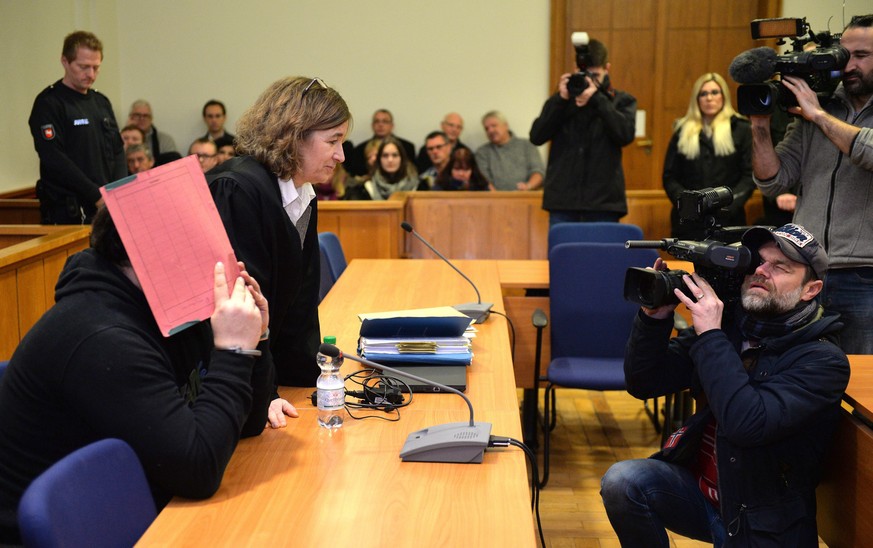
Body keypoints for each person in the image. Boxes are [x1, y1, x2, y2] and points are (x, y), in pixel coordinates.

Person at [0, 207, 273, 544]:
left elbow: (248, 425)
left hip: (144, 500)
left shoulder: (174, 311)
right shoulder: (101, 339)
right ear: (151, 259)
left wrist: (255, 337)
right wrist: (234, 351)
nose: (216, 264)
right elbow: (199, 470)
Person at [600, 223, 850, 546]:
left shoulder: (822, 361)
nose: (761, 271)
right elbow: (644, 381)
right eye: (758, 262)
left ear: (810, 290)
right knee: (622, 483)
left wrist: (712, 334)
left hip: (761, 527)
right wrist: (654, 318)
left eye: (779, 267)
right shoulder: (733, 327)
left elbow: (746, 423)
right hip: (706, 496)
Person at [208, 76, 349, 401]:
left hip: (272, 372)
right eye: (332, 142)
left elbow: (298, 301)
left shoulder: (301, 193)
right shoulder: (239, 191)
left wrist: (315, 377)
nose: (341, 155)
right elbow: (243, 306)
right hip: (233, 381)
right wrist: (264, 396)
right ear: (294, 135)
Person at [750, 14, 873, 354]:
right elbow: (773, 180)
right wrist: (759, 124)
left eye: (861, 56)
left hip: (865, 275)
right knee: (802, 374)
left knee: (863, 383)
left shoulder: (818, 111)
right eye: (845, 54)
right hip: (806, 270)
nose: (849, 65)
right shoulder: (821, 102)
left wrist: (819, 115)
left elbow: (868, 150)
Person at [530, 38, 636, 226]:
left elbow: (625, 135)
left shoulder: (621, 101)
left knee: (603, 255)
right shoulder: (561, 101)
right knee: (563, 254)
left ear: (607, 69)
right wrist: (561, 100)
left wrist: (598, 100)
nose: (589, 80)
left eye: (595, 74)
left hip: (604, 203)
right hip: (563, 202)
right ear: (575, 68)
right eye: (584, 74)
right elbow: (537, 137)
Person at [28, 30, 126, 224]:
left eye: (96, 68)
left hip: (107, 206)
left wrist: (117, 191)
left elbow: (117, 150)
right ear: (65, 61)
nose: (91, 74)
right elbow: (54, 158)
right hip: (71, 210)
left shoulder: (101, 102)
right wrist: (96, 196)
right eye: (83, 67)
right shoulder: (50, 103)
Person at [662, 73, 753, 238]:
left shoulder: (741, 129)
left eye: (714, 92)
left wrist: (729, 204)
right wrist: (687, 204)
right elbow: (669, 177)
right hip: (688, 220)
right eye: (703, 94)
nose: (709, 98)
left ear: (723, 96)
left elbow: (749, 176)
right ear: (696, 99)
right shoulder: (682, 130)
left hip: (728, 218)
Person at [475, 111, 545, 191]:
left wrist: (528, 186)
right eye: (486, 129)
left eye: (494, 126)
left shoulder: (527, 145)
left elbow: (538, 171)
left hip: (527, 197)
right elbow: (484, 181)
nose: (490, 131)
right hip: (495, 200)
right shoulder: (482, 152)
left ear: (506, 125)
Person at [345, 109, 415, 176]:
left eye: (385, 121)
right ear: (372, 125)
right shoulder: (360, 149)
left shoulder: (407, 147)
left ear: (392, 126)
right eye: (377, 121)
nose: (380, 125)